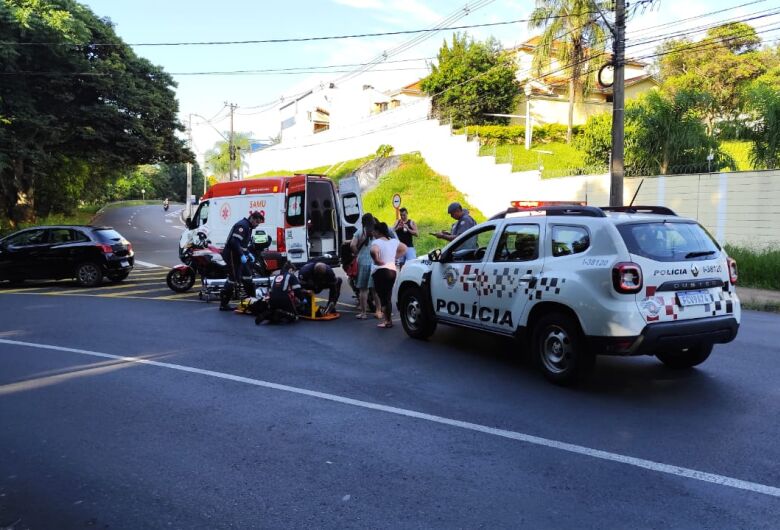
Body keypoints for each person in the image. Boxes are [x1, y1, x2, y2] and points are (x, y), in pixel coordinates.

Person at [219, 210, 264, 311]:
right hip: (232, 254)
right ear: (252, 218)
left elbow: (242, 245)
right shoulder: (242, 226)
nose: (257, 225)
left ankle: (252, 302)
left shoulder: (248, 227)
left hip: (238, 255)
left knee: (248, 276)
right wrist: (242, 255)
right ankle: (223, 304)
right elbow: (234, 242)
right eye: (257, 222)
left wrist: (248, 254)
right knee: (233, 278)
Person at [370, 222, 407, 329]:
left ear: (378, 231)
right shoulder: (393, 241)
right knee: (388, 296)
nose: (372, 232)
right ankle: (388, 320)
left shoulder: (376, 242)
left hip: (380, 271)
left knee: (383, 298)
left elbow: (373, 250)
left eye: (373, 231)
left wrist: (376, 260)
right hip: (392, 271)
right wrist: (394, 257)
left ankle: (387, 321)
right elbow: (404, 248)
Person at [350, 213, 381, 320]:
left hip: (362, 262)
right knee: (375, 290)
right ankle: (378, 311)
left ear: (363, 222)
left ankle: (363, 313)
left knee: (363, 290)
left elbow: (352, 245)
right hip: (374, 262)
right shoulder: (376, 232)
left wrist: (357, 253)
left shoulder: (360, 232)